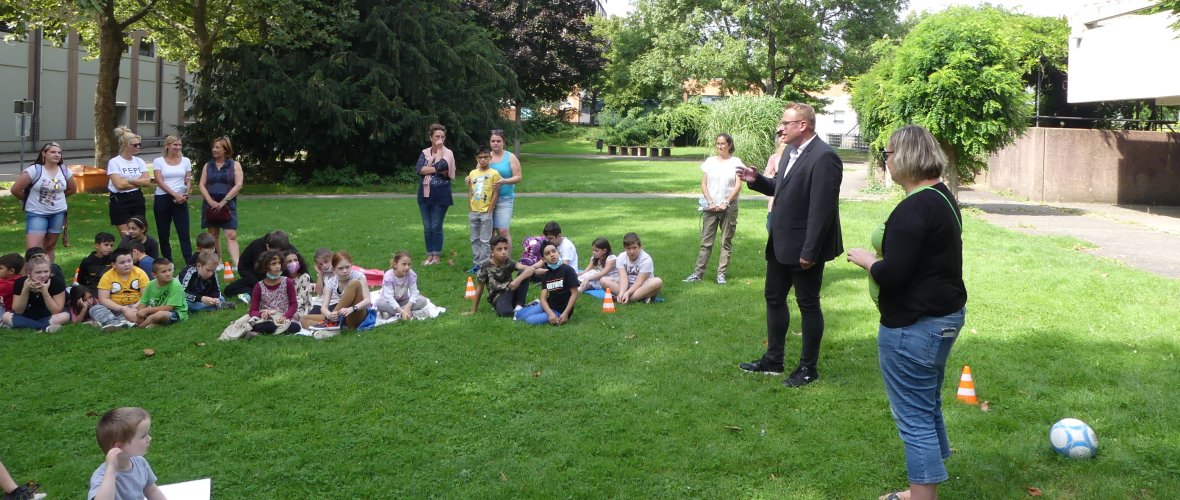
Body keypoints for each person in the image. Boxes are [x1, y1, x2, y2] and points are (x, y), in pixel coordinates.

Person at [846, 125, 967, 500]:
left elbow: (894, 275)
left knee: (913, 417)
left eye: (888, 153)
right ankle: (925, 482)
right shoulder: (942, 197)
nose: (885, 159)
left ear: (906, 157)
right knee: (926, 402)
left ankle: (921, 496)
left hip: (916, 326)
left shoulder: (915, 208)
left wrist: (868, 261)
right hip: (942, 318)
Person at [736, 102, 843, 388]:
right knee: (774, 297)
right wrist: (757, 180)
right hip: (781, 241)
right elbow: (781, 189)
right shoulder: (788, 153)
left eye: (785, 123)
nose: (779, 128)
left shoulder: (824, 157)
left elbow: (822, 209)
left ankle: (808, 368)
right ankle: (774, 360)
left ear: (802, 126)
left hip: (805, 247)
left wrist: (810, 250)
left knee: (808, 305)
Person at [684, 133, 743, 285]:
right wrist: (710, 201)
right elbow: (703, 184)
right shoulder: (710, 161)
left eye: (723, 143)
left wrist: (726, 202)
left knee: (726, 241)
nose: (720, 146)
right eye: (717, 143)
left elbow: (738, 185)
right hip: (710, 207)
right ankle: (698, 274)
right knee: (706, 242)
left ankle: (721, 274)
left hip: (728, 207)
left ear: (729, 145)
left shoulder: (736, 162)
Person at [10, 141, 76, 261]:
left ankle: (47, 274)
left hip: (58, 213)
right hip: (37, 213)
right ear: (43, 154)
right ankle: (30, 277)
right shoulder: (34, 170)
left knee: (49, 246)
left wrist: (58, 198)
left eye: (59, 153)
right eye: (53, 152)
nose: (57, 155)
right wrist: (28, 200)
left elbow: (72, 189)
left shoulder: (64, 170)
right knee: (33, 250)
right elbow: (16, 189)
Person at [88, 406, 165, 500]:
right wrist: (111, 471)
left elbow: (151, 490)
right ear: (120, 447)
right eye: (143, 436)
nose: (149, 438)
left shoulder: (140, 463)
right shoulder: (102, 476)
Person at [198, 136, 244, 270]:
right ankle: (218, 262)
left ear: (226, 149)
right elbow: (201, 184)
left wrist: (224, 201)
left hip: (228, 203)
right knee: (213, 235)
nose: (214, 149)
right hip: (210, 204)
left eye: (218, 147)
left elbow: (239, 185)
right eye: (213, 147)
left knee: (231, 234)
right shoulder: (208, 165)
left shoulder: (235, 165)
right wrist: (210, 201)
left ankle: (237, 264)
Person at [464, 235, 534, 317]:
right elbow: (480, 288)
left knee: (524, 272)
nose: (504, 252)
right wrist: (473, 311)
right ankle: (510, 307)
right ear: (492, 253)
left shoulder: (508, 261)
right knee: (505, 313)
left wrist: (517, 280)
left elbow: (530, 269)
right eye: (499, 249)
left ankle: (519, 306)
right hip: (498, 296)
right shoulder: (485, 266)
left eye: (505, 248)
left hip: (511, 289)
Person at [416, 123, 455, 266]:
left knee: (436, 226)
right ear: (430, 137)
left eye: (442, 137)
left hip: (441, 195)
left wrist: (439, 151)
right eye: (437, 136)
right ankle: (429, 254)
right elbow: (419, 169)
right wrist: (433, 169)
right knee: (427, 226)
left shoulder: (448, 153)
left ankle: (436, 255)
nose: (440, 139)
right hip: (424, 195)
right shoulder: (425, 152)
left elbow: (441, 166)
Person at [515, 242, 580, 325]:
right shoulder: (547, 275)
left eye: (554, 251)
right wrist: (550, 313)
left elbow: (574, 294)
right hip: (548, 306)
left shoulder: (568, 270)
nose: (552, 255)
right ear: (544, 259)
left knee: (529, 320)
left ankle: (535, 308)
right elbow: (543, 298)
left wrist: (566, 313)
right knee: (519, 315)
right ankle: (534, 306)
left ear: (558, 253)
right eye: (547, 253)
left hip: (561, 311)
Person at [152, 135, 194, 263]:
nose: (178, 147)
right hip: (163, 198)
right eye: (175, 145)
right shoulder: (158, 161)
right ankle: (167, 261)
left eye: (180, 145)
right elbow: (159, 181)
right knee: (163, 233)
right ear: (167, 146)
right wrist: (173, 194)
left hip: (181, 198)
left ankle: (189, 262)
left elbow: (188, 179)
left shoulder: (186, 160)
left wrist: (185, 193)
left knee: (184, 232)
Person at [305, 251, 371, 331]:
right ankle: (333, 328)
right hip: (340, 316)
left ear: (351, 265)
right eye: (341, 268)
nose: (345, 271)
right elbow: (323, 308)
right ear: (334, 269)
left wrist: (352, 309)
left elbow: (368, 300)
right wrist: (329, 315)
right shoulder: (331, 282)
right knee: (304, 319)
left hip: (356, 313)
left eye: (347, 267)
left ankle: (331, 324)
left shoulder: (358, 276)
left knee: (354, 283)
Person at [1, 255, 68, 333]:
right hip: (28, 314)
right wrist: (25, 289)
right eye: (38, 272)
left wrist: (44, 291)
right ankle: (45, 328)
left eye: (46, 271)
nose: (43, 275)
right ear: (29, 273)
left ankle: (23, 324)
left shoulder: (57, 282)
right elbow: (18, 311)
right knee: (6, 316)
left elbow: (56, 311)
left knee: (64, 316)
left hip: (49, 315)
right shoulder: (20, 282)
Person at [106, 127, 153, 236]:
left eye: (139, 144)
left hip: (137, 198)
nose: (138, 147)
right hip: (120, 200)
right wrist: (138, 181)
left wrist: (130, 180)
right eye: (135, 145)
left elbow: (147, 182)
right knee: (127, 236)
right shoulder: (115, 162)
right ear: (124, 145)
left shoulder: (139, 161)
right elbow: (119, 185)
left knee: (139, 234)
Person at [91, 248, 151, 331]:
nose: (127, 264)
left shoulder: (140, 273)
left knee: (150, 306)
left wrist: (136, 305)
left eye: (129, 261)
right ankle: (115, 322)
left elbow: (146, 295)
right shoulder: (107, 276)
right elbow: (103, 299)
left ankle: (120, 322)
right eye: (122, 262)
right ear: (114, 265)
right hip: (115, 308)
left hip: (136, 306)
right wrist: (121, 308)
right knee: (95, 309)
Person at [223, 230, 296, 297]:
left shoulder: (287, 247)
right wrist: (256, 284)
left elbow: (300, 265)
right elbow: (243, 267)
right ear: (268, 247)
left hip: (281, 279)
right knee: (229, 290)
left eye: (282, 252)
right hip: (258, 279)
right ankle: (253, 293)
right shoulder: (255, 246)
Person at [246, 250, 301, 336]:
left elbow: (293, 304)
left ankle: (259, 333)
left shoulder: (288, 282)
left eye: (279, 263)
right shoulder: (259, 286)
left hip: (282, 317)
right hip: (267, 319)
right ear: (265, 266)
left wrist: (286, 317)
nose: (277, 266)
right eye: (273, 264)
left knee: (296, 327)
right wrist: (261, 314)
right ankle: (269, 330)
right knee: (270, 326)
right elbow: (253, 310)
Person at [602, 232, 663, 304]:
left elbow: (639, 282)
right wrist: (622, 292)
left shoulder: (646, 260)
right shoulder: (621, 257)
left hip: (642, 286)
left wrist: (627, 293)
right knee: (603, 280)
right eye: (628, 248)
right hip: (626, 285)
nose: (631, 251)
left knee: (658, 282)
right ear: (625, 248)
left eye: (634, 248)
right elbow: (623, 277)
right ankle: (638, 298)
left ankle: (626, 298)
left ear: (640, 247)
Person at [466, 146, 501, 273]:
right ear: (477, 158)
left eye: (485, 157)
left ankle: (484, 265)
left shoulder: (494, 174)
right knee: (474, 238)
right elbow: (470, 191)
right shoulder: (472, 173)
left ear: (490, 158)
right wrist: (470, 207)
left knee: (485, 240)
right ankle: (476, 264)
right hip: (474, 211)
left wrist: (489, 210)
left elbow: (496, 193)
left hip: (486, 211)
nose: (483, 160)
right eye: (480, 157)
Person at [488, 129, 522, 251]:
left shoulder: (510, 157)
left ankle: (506, 261)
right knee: (488, 231)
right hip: (488, 200)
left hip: (505, 198)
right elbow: (477, 173)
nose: (495, 143)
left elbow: (518, 177)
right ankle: (490, 260)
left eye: (498, 141)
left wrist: (504, 181)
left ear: (503, 142)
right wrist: (469, 178)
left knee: (502, 230)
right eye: (493, 141)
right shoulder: (486, 156)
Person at [376, 251, 430, 321]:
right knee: (379, 304)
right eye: (404, 264)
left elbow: (414, 292)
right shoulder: (389, 276)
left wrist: (408, 307)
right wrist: (402, 311)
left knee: (423, 301)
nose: (407, 267)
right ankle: (405, 313)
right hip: (388, 302)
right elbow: (389, 297)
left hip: (403, 301)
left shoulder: (411, 274)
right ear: (395, 265)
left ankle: (391, 313)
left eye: (409, 264)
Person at [136, 259, 187, 328]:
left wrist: (146, 310)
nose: (168, 274)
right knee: (131, 313)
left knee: (159, 315)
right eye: (164, 272)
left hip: (175, 313)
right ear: (154, 275)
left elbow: (169, 307)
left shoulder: (175, 284)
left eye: (170, 270)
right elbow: (143, 302)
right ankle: (155, 323)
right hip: (154, 312)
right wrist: (140, 314)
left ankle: (140, 326)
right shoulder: (151, 284)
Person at [283, 250, 316, 319]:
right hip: (284, 307)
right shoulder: (282, 279)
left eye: (295, 260)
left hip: (301, 308)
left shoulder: (304, 277)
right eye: (289, 261)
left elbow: (302, 300)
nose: (293, 263)